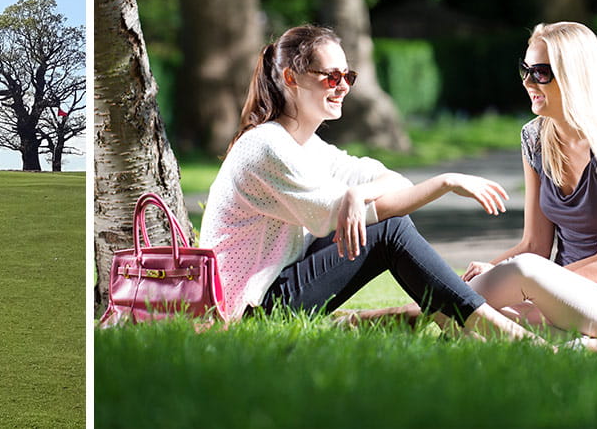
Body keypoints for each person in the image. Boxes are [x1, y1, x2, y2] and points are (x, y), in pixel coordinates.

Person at [197, 25, 535, 340]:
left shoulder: (308, 145)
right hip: (245, 312)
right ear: (291, 78)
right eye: (331, 77)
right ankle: (508, 335)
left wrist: (358, 192)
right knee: (390, 231)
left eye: (348, 76)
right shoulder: (267, 146)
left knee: (389, 225)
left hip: (273, 290)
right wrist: (445, 182)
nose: (343, 86)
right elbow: (360, 216)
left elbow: (395, 181)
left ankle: (463, 328)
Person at [461, 22, 597, 350]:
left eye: (541, 72)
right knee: (473, 322)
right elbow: (534, 244)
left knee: (492, 293)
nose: (528, 81)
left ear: (575, 76)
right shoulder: (535, 138)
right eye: (525, 70)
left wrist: (529, 281)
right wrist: (496, 270)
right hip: (560, 296)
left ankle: (390, 316)